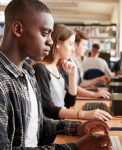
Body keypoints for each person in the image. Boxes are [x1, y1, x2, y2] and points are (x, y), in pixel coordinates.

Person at [0, 0, 111, 149]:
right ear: (18, 29)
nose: (51, 42)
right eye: (45, 33)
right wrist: (75, 148)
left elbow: (40, 122)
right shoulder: (2, 82)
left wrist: (77, 128)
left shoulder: (28, 73)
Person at [33, 24, 112, 121]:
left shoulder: (61, 68)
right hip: (51, 128)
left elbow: (69, 103)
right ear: (58, 44)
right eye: (70, 44)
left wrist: (72, 75)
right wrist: (83, 114)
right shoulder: (40, 69)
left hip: (61, 122)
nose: (73, 49)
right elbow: (47, 109)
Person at [70, 29, 111, 98]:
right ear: (75, 45)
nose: (86, 48)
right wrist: (94, 94)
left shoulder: (76, 60)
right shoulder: (69, 62)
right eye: (84, 45)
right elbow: (73, 87)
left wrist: (98, 79)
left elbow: (80, 83)